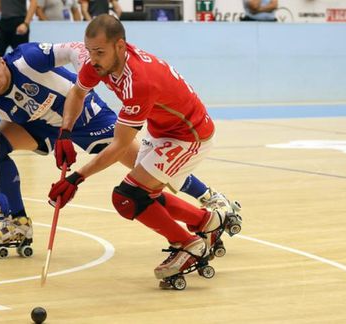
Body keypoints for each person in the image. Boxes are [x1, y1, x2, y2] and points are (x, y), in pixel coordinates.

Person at [0, 41, 237, 258]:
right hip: (41, 129)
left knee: (143, 167)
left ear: (2, 62)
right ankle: (17, 223)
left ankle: (211, 199)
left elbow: (75, 49)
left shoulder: (28, 58)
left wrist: (87, 75)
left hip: (86, 117)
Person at [48, 15, 241, 284]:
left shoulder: (140, 81)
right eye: (90, 51)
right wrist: (64, 133)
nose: (92, 59)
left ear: (120, 46)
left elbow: (119, 146)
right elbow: (77, 93)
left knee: (127, 197)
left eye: (99, 52)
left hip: (190, 136)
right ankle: (207, 220)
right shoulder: (100, 63)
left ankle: (189, 245)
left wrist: (76, 177)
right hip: (164, 131)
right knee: (142, 194)